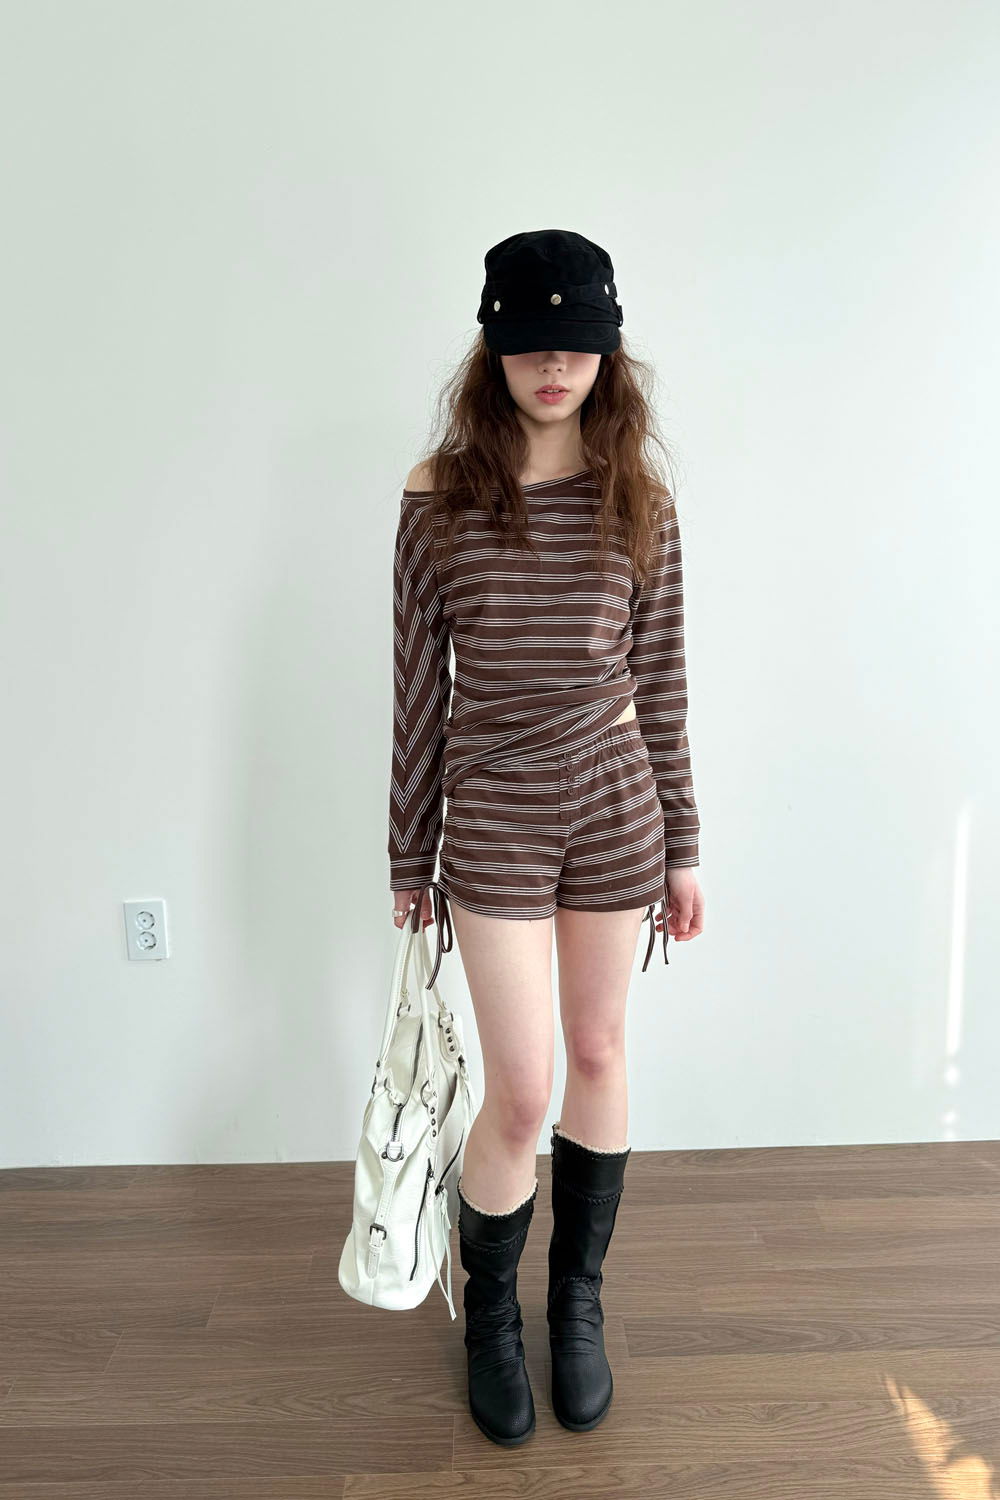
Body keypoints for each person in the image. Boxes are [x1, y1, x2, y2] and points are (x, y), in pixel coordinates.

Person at [387, 229, 705, 1445]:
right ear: (494, 348)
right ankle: (490, 1314)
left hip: (616, 805)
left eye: (576, 343)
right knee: (521, 1090)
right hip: (496, 811)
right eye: (531, 343)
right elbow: (418, 691)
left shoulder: (640, 501)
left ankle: (575, 1304)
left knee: (600, 1050)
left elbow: (662, 686)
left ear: (607, 351)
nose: (554, 364)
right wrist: (407, 853)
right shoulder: (439, 495)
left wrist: (684, 846)